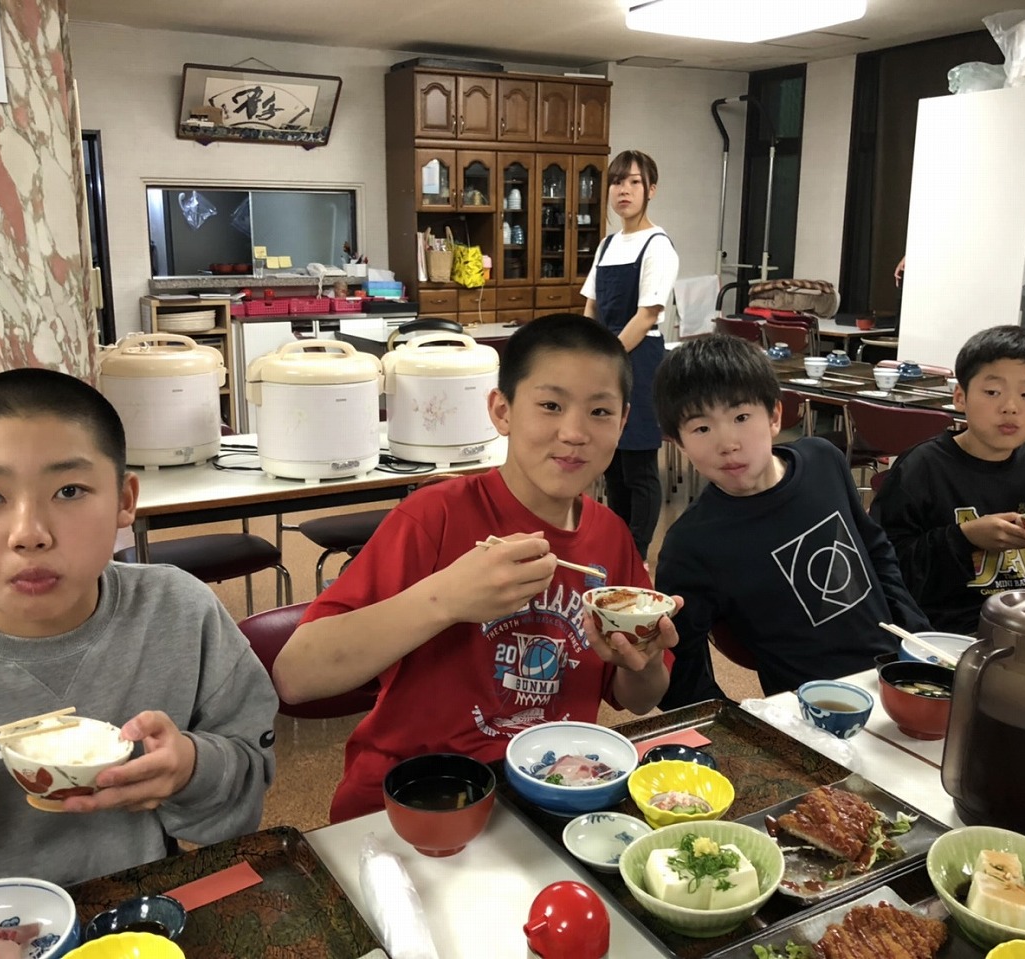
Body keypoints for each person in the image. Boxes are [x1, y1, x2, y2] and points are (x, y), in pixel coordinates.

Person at [0, 369, 277, 945]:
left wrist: (190, 768)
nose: (29, 533)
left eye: (69, 491)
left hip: (136, 923)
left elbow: (243, 808)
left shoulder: (180, 612)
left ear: (125, 500)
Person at [273, 314, 679, 823]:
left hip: (551, 797)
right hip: (413, 802)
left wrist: (641, 662)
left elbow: (639, 699)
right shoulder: (435, 517)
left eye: (600, 411)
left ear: (622, 423)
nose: (574, 433)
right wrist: (445, 599)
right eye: (550, 406)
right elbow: (296, 676)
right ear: (502, 411)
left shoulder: (611, 537)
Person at [652, 334, 929, 705]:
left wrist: (917, 638)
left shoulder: (823, 460)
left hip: (901, 672)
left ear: (774, 417)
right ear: (678, 443)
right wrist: (756, 727)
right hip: (815, 710)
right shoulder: (690, 545)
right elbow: (681, 676)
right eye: (702, 428)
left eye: (741, 417)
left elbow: (876, 549)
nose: (728, 443)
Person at [870, 326, 1025, 635]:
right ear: (960, 397)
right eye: (992, 392)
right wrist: (965, 538)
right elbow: (887, 571)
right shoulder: (922, 468)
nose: (1010, 407)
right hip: (954, 631)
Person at [582, 149, 680, 560]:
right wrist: (584, 353)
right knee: (613, 462)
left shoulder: (658, 246)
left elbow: (645, 316)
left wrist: (605, 356)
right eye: (617, 182)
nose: (624, 190)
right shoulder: (607, 245)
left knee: (639, 465)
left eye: (634, 182)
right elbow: (591, 306)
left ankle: (636, 553)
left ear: (651, 190)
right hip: (606, 357)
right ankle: (616, 546)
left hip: (638, 359)